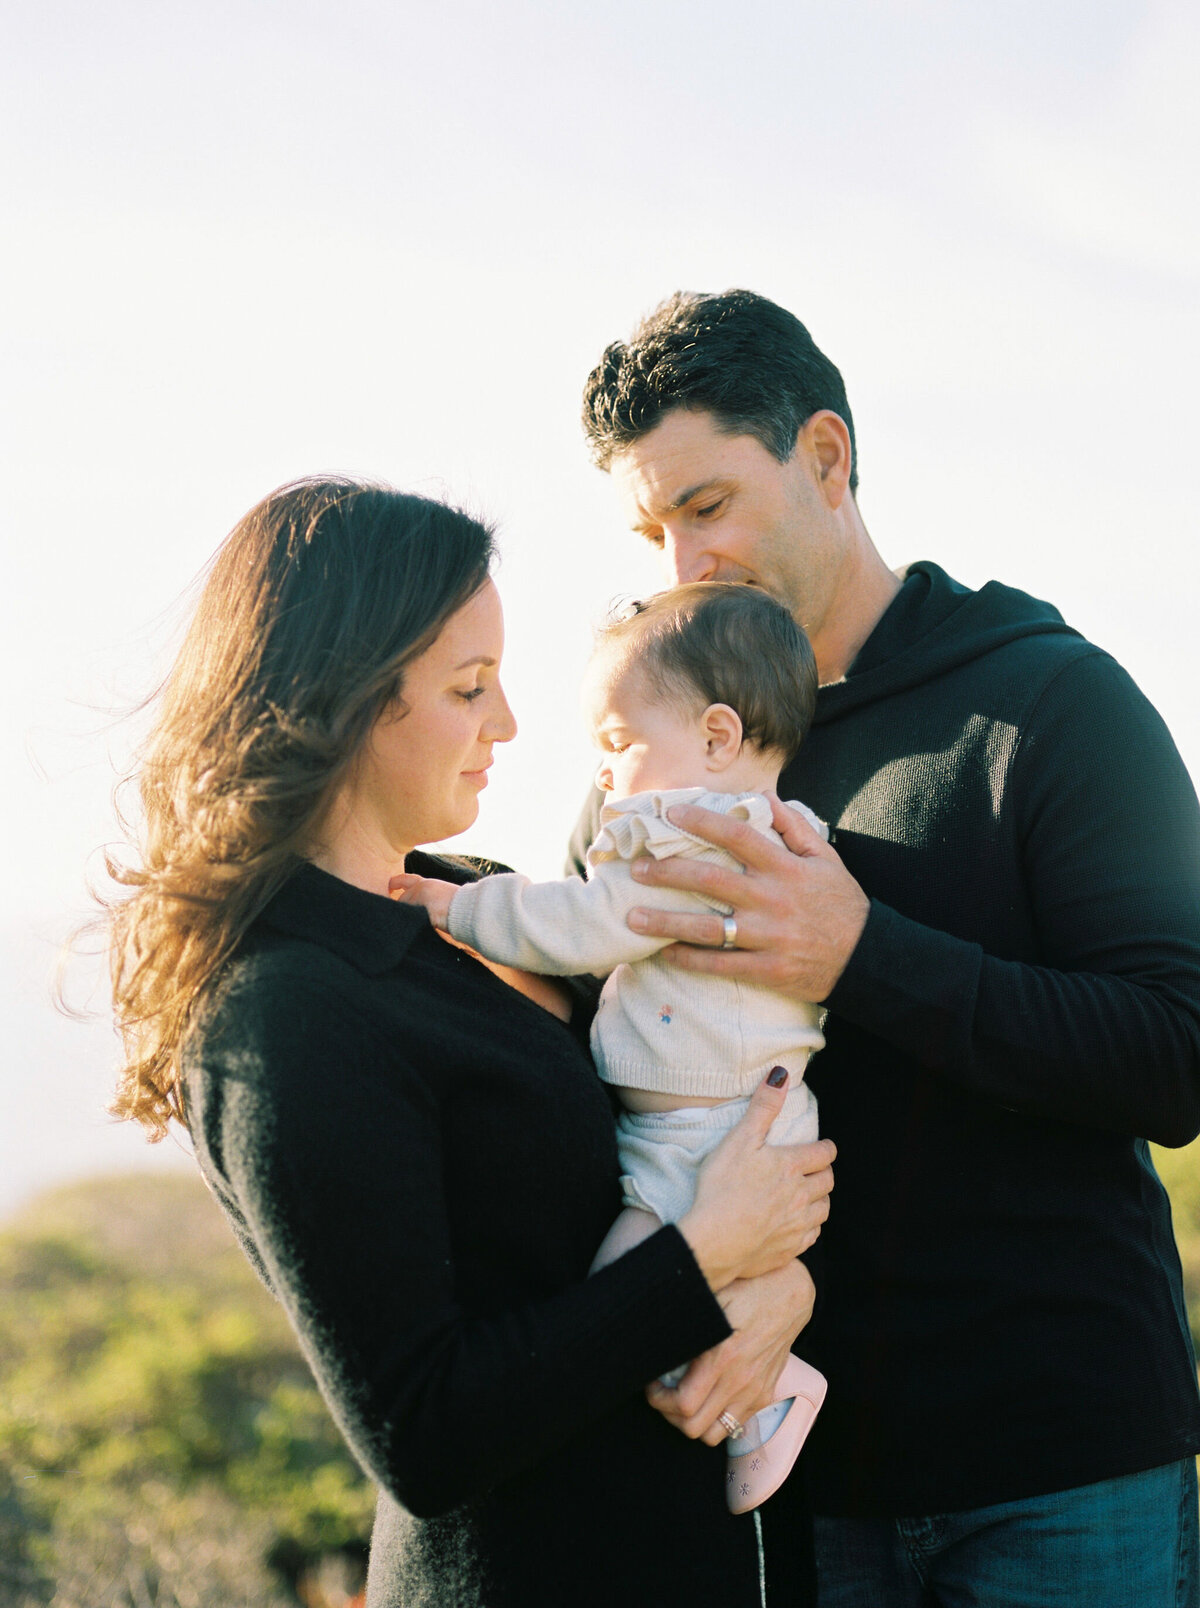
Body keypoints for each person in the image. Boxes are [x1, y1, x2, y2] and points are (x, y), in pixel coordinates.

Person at [100, 475, 837, 1608]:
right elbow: (426, 1432)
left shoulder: (483, 903)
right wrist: (701, 1259)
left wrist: (770, 1290)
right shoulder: (287, 1012)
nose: (507, 724)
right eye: (468, 686)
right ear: (346, 700)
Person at [571, 289, 1200, 1607]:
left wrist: (860, 955)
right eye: (653, 527)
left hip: (1060, 1477)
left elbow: (1177, 1055)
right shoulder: (661, 744)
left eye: (707, 506)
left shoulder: (1050, 699)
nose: (683, 565)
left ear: (827, 457)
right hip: (795, 1478)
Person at [394, 580, 830, 1513]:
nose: (602, 774)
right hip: (733, 1121)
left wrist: (458, 908)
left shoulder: (685, 839)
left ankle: (772, 1394)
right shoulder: (794, 845)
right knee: (659, 1299)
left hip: (710, 1132)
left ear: (716, 737)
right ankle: (768, 1386)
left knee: (621, 1303)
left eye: (618, 745)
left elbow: (589, 923)